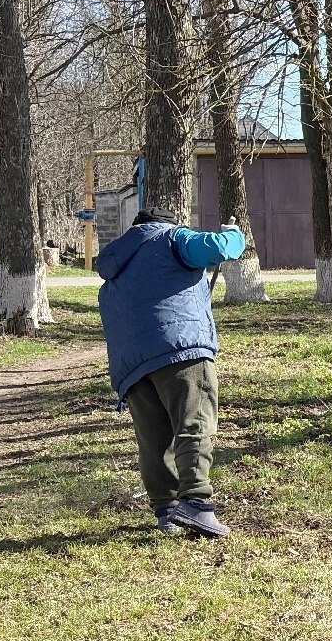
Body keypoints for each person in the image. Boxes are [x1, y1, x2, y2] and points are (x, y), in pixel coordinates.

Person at [97, 197, 247, 539]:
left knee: (153, 440)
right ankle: (195, 502)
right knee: (194, 423)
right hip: (181, 352)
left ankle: (166, 510)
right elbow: (219, 247)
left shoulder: (115, 265)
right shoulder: (172, 238)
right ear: (167, 223)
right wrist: (235, 234)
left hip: (131, 367)